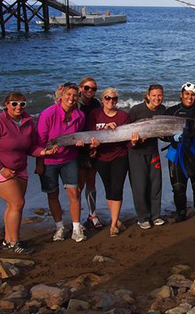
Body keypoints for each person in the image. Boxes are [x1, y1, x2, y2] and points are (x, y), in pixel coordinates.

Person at [0, 92, 56, 254]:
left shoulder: (27, 122)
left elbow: (31, 148)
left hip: (19, 169)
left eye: (22, 104)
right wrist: (1, 169)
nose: (18, 107)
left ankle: (8, 239)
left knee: (12, 205)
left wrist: (44, 153)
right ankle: (14, 243)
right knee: (17, 203)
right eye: (14, 104)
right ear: (6, 105)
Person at [37, 82, 91, 243]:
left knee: (74, 193)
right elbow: (40, 141)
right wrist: (39, 163)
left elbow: (78, 136)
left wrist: (80, 143)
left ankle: (76, 228)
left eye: (75, 95)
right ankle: (59, 227)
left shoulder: (79, 116)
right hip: (49, 160)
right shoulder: (47, 114)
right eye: (68, 94)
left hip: (69, 158)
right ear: (61, 96)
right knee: (53, 194)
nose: (71, 98)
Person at [164, 82, 195, 225]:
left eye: (192, 95)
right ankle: (181, 213)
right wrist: (171, 138)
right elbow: (161, 133)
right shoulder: (172, 111)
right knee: (178, 187)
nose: (189, 97)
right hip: (176, 154)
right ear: (181, 95)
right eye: (187, 94)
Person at [87, 88, 130, 237]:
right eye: (108, 98)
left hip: (119, 156)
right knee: (109, 189)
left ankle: (113, 225)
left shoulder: (123, 116)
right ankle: (115, 219)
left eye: (114, 98)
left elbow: (127, 140)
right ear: (102, 99)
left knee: (117, 188)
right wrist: (103, 131)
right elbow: (89, 133)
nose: (111, 101)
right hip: (101, 157)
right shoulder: (95, 114)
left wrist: (136, 142)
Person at [128, 84, 167, 229]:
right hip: (136, 153)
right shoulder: (136, 110)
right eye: (154, 95)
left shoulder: (162, 110)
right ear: (148, 96)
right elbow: (125, 131)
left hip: (153, 152)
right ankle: (143, 217)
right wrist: (134, 141)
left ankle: (155, 216)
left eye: (160, 95)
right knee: (140, 186)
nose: (157, 98)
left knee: (156, 184)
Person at [77, 77, 103, 230]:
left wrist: (94, 146)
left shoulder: (96, 104)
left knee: (91, 181)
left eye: (93, 89)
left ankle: (92, 214)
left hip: (92, 144)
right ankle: (78, 218)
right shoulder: (75, 103)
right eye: (86, 88)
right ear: (80, 88)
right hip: (77, 146)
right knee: (79, 183)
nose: (89, 91)